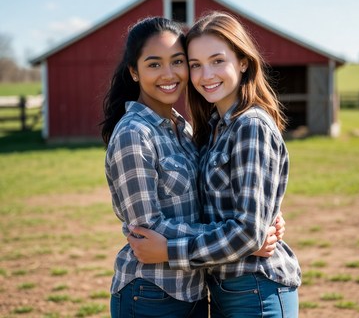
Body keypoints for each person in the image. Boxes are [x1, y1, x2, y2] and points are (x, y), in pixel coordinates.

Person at [101, 16, 282, 318]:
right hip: (151, 292)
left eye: (179, 61)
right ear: (134, 72)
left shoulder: (186, 131)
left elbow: (226, 204)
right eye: (154, 64)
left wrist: (255, 223)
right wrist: (243, 238)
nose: (169, 74)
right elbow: (148, 231)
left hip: (197, 291)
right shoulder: (134, 133)